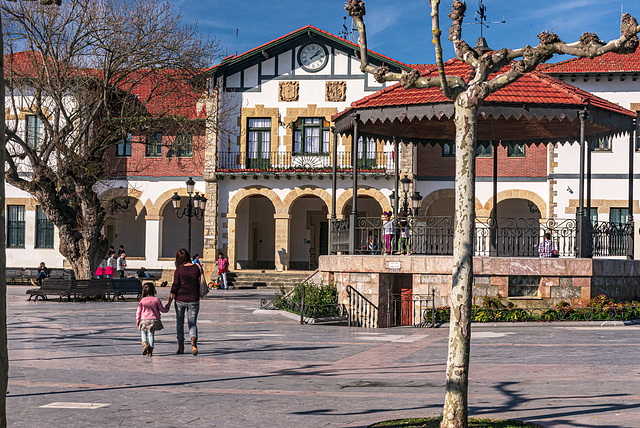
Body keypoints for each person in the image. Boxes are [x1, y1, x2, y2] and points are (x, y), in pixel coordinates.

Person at [170, 248, 201, 356]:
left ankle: (181, 346)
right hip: (193, 299)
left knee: (180, 322)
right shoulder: (196, 268)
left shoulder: (178, 270)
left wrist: (169, 302)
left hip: (180, 300)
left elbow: (175, 287)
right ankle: (193, 343)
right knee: (192, 323)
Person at [136, 283, 171, 357]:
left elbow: (138, 312)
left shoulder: (142, 300)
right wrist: (167, 308)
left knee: (143, 332)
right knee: (151, 334)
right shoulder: (156, 300)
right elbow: (162, 310)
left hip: (144, 319)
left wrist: (138, 320)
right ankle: (150, 350)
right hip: (153, 320)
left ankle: (145, 343)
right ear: (153, 290)